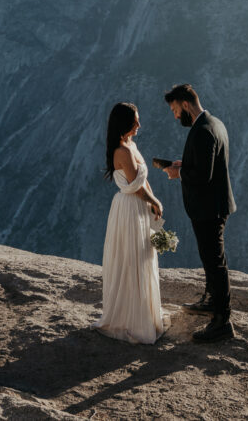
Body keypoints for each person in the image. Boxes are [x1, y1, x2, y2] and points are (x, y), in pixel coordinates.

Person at [163, 84, 236, 342]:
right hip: (214, 205)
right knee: (210, 258)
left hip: (209, 208)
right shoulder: (214, 123)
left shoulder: (203, 130)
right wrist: (186, 165)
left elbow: (203, 176)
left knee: (215, 262)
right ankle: (210, 301)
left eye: (174, 110)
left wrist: (178, 173)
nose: (174, 116)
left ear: (185, 104)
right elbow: (209, 165)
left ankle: (222, 321)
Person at [92, 102, 167, 344]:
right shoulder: (122, 151)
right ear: (124, 123)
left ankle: (143, 313)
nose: (139, 125)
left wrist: (153, 202)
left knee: (141, 257)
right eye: (135, 121)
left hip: (139, 207)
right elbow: (135, 187)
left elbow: (143, 180)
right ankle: (131, 319)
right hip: (129, 208)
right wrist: (155, 201)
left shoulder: (131, 145)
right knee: (131, 259)